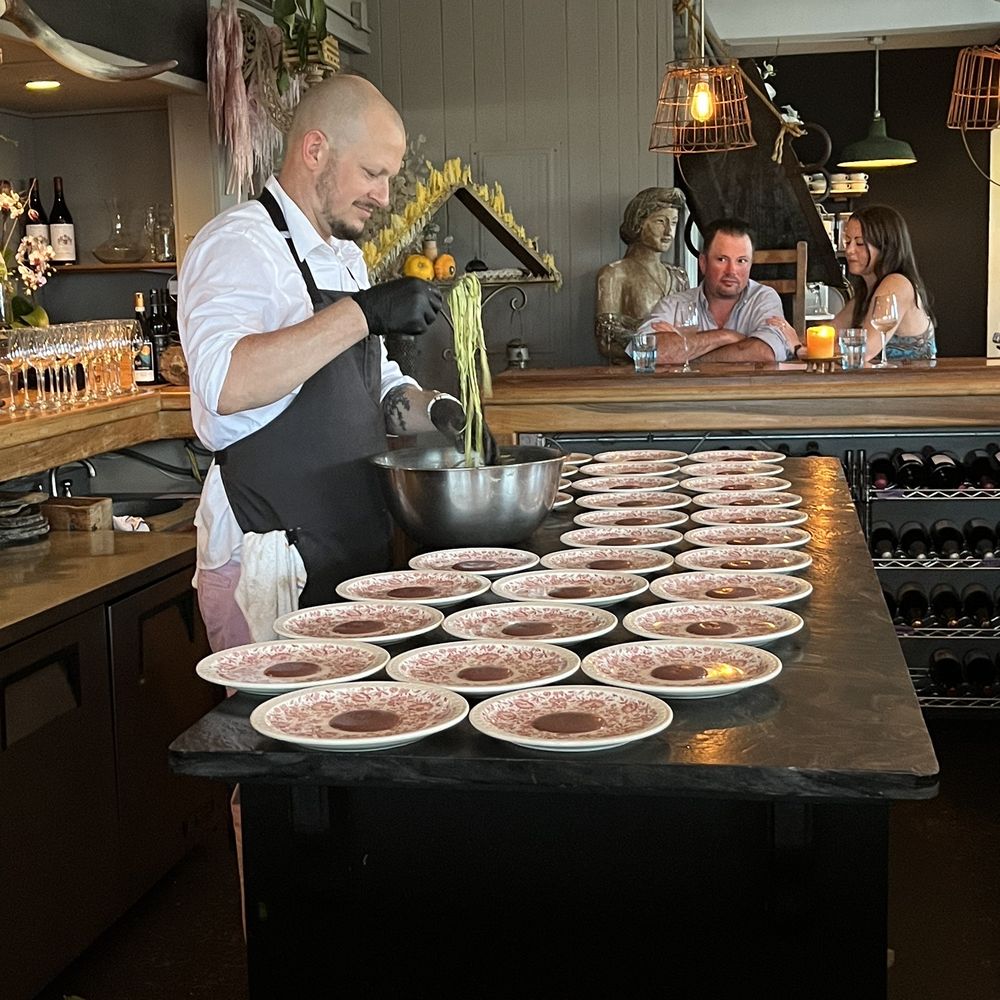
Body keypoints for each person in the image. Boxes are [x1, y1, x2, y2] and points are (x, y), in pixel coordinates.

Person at [179, 74, 468, 651]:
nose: (384, 197)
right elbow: (224, 383)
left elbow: (375, 385)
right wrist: (363, 312)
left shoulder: (344, 258)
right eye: (373, 173)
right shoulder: (236, 245)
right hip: (271, 562)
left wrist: (434, 413)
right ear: (315, 150)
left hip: (350, 545)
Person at [638, 218, 800, 364]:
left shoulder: (763, 298)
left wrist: (686, 354)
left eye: (741, 261)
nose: (731, 271)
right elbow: (644, 352)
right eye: (722, 260)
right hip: (689, 396)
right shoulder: (675, 304)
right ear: (703, 263)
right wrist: (727, 336)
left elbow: (765, 353)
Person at [595, 187, 689, 364]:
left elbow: (689, 332)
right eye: (661, 221)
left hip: (676, 375)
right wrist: (662, 344)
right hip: (630, 377)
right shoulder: (614, 274)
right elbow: (606, 341)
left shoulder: (679, 276)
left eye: (674, 222)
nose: (669, 231)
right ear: (638, 223)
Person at [833, 205, 935, 362]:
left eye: (859, 243)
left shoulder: (896, 283)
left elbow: (864, 351)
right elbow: (826, 334)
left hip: (911, 385)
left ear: (885, 246)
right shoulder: (865, 295)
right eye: (847, 242)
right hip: (885, 384)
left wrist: (799, 348)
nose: (849, 250)